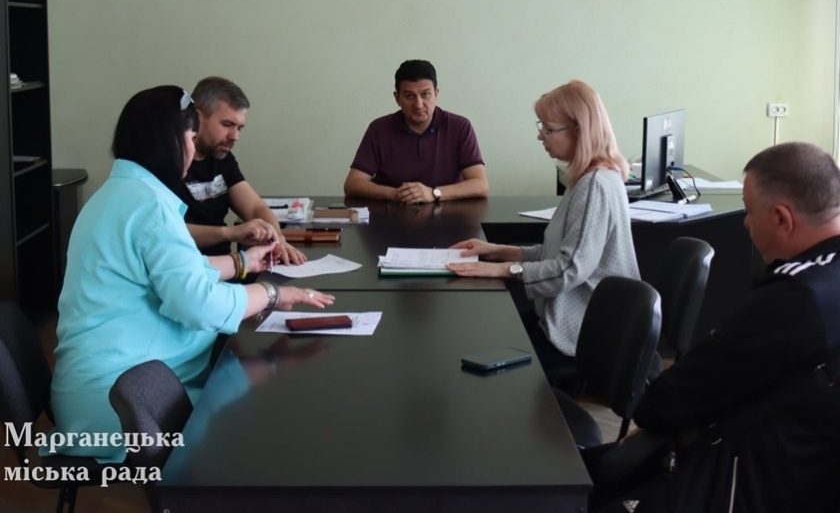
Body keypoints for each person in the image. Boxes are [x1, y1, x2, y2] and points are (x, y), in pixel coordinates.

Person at [47, 86, 334, 464]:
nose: (193, 146)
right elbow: (201, 305)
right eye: (190, 136)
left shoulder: (120, 194)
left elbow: (179, 272)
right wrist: (273, 293)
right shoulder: (149, 207)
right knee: (267, 422)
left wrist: (245, 263)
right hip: (123, 407)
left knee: (249, 378)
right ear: (169, 141)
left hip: (103, 390)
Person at [624, 141, 840, 512]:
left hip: (765, 476)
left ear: (782, 218)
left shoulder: (792, 298)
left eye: (749, 211)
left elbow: (676, 398)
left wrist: (647, 412)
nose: (745, 223)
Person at [447, 80, 639, 375]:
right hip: (580, 319)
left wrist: (502, 270)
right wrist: (497, 251)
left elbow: (568, 270)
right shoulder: (592, 177)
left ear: (580, 130)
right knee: (481, 331)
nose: (540, 136)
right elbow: (560, 252)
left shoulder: (595, 186)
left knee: (476, 346)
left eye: (548, 129)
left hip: (582, 333)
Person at [182, 76, 305, 263]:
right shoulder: (168, 163)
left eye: (240, 128)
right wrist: (229, 233)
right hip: (188, 267)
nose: (235, 136)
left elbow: (256, 208)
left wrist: (278, 239)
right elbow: (168, 232)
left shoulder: (221, 156)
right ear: (197, 117)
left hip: (229, 266)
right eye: (227, 125)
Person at [343, 59, 489, 203]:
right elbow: (353, 183)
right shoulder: (379, 129)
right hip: (393, 213)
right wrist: (395, 194)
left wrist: (433, 193)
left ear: (436, 94)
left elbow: (481, 185)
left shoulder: (460, 127)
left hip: (449, 213)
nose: (418, 104)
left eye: (425, 95)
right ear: (397, 98)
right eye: (409, 96)